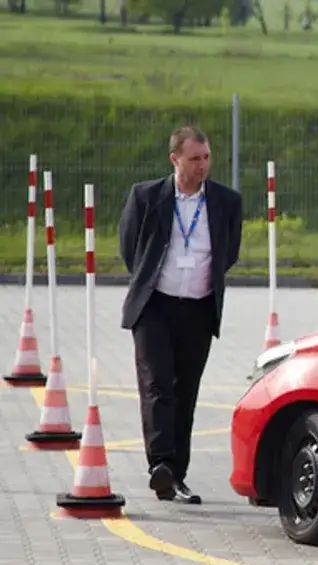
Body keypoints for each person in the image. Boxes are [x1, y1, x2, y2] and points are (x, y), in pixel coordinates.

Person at [118, 126, 243, 504]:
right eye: (194, 158)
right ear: (175, 159)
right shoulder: (146, 196)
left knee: (186, 391)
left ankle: (177, 474)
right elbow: (129, 248)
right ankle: (160, 464)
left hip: (199, 309)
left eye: (206, 157)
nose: (202, 165)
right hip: (155, 305)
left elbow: (229, 253)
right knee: (157, 385)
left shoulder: (226, 201)